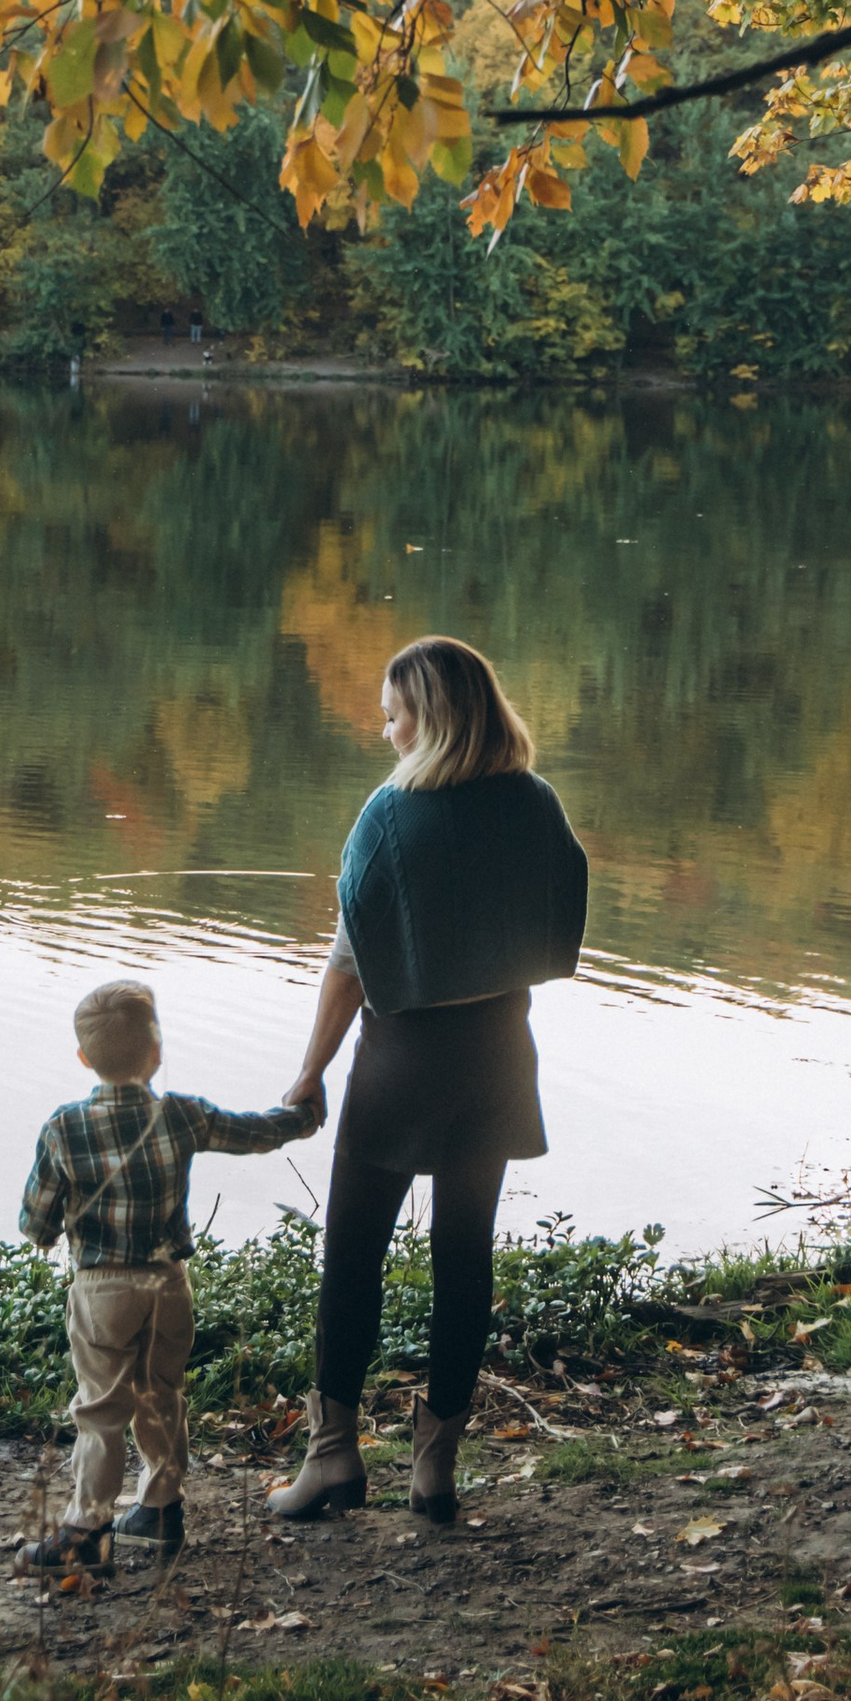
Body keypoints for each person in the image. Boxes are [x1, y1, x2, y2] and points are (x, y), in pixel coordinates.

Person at [272, 635, 587, 1530]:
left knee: (353, 1258)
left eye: (394, 715)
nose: (385, 732)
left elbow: (348, 964)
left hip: (402, 1062)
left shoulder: (388, 815)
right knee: (464, 1260)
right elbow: (560, 914)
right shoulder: (538, 804)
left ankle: (332, 1459)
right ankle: (435, 1467)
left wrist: (309, 1073)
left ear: (433, 718)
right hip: (496, 1057)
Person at [17, 975, 321, 1570]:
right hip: (168, 1284)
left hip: (103, 1287)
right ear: (157, 1052)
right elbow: (253, 1132)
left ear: (84, 1059)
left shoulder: (63, 1127)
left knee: (101, 1408)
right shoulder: (182, 1115)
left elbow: (36, 1219)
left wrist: (50, 1232)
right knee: (162, 1394)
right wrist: (302, 1117)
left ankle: (87, 1529)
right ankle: (160, 1507)